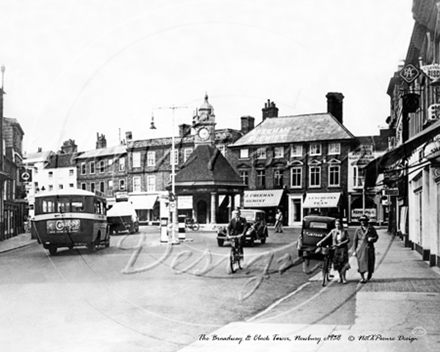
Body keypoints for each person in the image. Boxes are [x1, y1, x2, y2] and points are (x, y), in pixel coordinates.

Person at [317, 219, 350, 284]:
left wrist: (342, 243)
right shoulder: (333, 231)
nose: (337, 225)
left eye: (338, 224)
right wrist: (320, 242)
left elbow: (348, 239)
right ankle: (340, 277)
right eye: (336, 224)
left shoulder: (344, 231)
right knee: (337, 264)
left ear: (341, 224)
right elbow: (327, 237)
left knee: (343, 263)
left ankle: (344, 278)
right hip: (336, 249)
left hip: (343, 249)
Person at [352, 214, 379, 283]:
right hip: (360, 249)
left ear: (367, 221)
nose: (362, 222)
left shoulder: (371, 229)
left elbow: (376, 237)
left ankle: (369, 275)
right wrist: (354, 251)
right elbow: (355, 240)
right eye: (361, 221)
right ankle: (362, 277)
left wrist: (372, 239)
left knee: (370, 262)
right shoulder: (358, 230)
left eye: (364, 220)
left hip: (369, 248)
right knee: (361, 263)